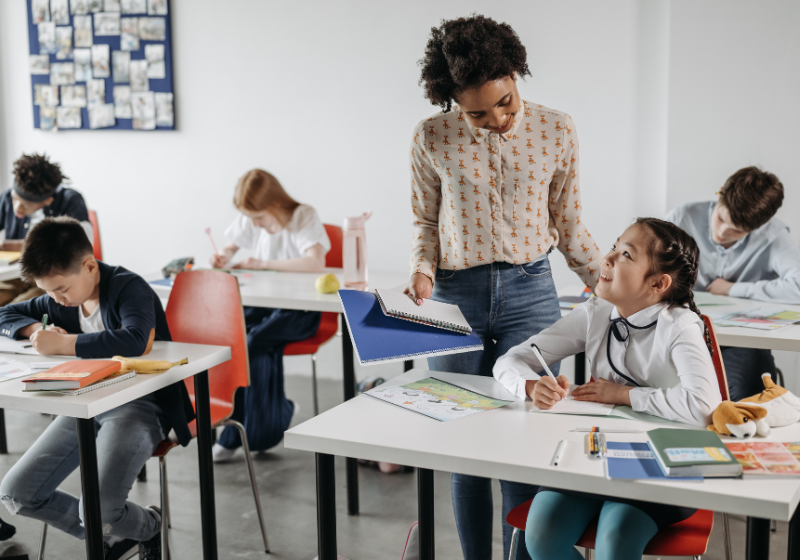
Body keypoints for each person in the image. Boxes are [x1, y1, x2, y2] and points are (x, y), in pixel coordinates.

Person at [404, 15, 602, 560]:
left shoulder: (557, 129)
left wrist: (609, 287)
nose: (497, 119)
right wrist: (422, 268)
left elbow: (570, 222)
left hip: (531, 291)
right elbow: (424, 221)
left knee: (523, 438)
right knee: (465, 444)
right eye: (477, 112)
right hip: (453, 297)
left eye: (506, 103)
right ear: (452, 101)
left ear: (517, 75)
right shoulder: (431, 137)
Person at [494, 218, 720, 560]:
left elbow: (704, 406)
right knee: (542, 534)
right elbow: (509, 361)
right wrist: (528, 385)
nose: (608, 258)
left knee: (616, 540)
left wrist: (623, 394)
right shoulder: (595, 313)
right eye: (614, 246)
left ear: (658, 283)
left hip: (663, 464)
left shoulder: (681, 326)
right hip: (595, 456)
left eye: (626, 255)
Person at [0, 217, 195, 560]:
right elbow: (5, 315)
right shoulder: (60, 299)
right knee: (17, 494)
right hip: (84, 405)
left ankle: (147, 526)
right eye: (48, 292)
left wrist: (63, 346)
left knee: (100, 512)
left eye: (60, 290)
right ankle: (110, 536)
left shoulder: (128, 287)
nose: (55, 300)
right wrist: (34, 331)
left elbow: (135, 340)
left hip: (141, 404)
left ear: (90, 267)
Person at [209, 169, 329, 462]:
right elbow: (230, 245)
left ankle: (240, 432)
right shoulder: (253, 217)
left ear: (275, 203)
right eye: (250, 218)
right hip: (263, 305)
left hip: (301, 311)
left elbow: (316, 262)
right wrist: (223, 255)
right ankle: (271, 417)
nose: (254, 224)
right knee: (232, 338)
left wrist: (262, 264)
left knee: (254, 341)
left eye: (259, 218)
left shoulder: (303, 216)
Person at [666, 166, 800, 400]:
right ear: (720, 195)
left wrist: (734, 289)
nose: (721, 232)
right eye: (720, 218)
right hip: (676, 332)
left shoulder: (774, 235)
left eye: (736, 231)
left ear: (763, 223)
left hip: (739, 344)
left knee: (745, 393)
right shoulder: (682, 218)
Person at [0, 153, 93, 305]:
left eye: (26, 205)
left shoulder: (70, 200)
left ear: (47, 201)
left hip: (53, 280)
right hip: (17, 275)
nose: (17, 209)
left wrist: (15, 246)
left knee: (14, 308)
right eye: (15, 199)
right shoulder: (6, 198)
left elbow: (83, 246)